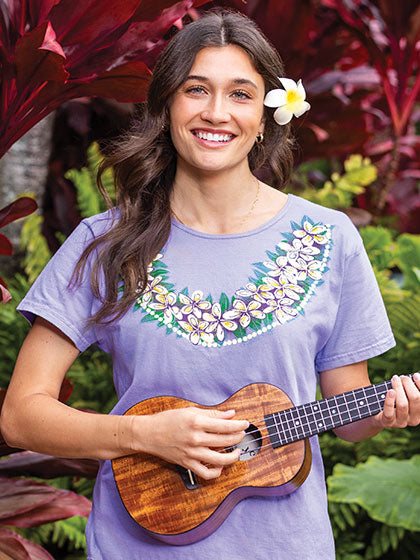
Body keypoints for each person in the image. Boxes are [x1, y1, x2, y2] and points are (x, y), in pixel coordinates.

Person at [2, 9, 420, 560]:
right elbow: (20, 415)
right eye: (196, 89)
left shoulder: (328, 238)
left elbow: (351, 420)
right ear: (167, 106)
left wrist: (392, 409)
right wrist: (144, 436)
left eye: (241, 93)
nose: (216, 113)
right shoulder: (105, 241)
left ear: (267, 114)